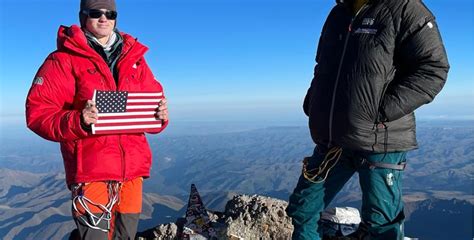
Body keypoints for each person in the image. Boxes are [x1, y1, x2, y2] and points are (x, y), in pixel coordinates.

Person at [286, 0, 449, 239]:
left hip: (381, 141)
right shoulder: (338, 13)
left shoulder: (405, 8)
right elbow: (324, 65)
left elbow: (433, 69)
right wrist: (313, 100)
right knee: (304, 209)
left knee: (381, 227)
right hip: (334, 139)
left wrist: (379, 112)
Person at [25, 0, 169, 239]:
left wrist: (160, 115)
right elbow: (38, 113)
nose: (104, 18)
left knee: (126, 236)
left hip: (132, 171)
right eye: (96, 13)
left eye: (110, 13)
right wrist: (78, 120)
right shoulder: (63, 60)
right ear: (83, 17)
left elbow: (154, 99)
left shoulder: (135, 58)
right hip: (91, 171)